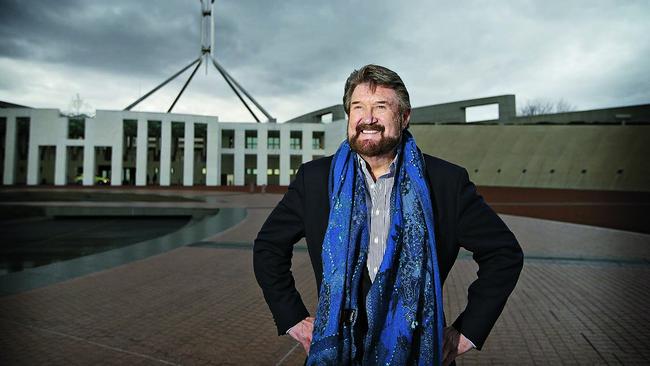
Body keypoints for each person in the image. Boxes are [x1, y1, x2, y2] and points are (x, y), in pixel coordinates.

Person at [253, 64, 523, 365]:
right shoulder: (315, 180)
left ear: (404, 117)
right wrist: (293, 318)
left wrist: (466, 331)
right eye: (358, 107)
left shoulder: (446, 182)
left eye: (380, 107)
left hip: (420, 353)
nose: (367, 119)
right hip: (338, 353)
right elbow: (268, 247)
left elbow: (504, 253)